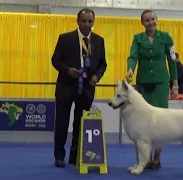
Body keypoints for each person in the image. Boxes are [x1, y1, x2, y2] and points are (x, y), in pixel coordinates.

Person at [51, 8, 107, 168]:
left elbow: (103, 64)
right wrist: (67, 70)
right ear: (77, 21)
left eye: (90, 21)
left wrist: (96, 76)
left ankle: (75, 156)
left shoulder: (99, 41)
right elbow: (55, 60)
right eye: (84, 21)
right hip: (65, 86)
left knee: (80, 123)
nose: (87, 24)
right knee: (62, 122)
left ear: (93, 22)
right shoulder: (65, 38)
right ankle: (59, 156)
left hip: (88, 88)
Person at [125, 9, 178, 170]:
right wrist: (130, 69)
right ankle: (142, 159)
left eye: (152, 19)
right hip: (143, 84)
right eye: (147, 20)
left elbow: (172, 61)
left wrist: (174, 84)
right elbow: (133, 56)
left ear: (157, 19)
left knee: (159, 122)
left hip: (161, 84)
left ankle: (156, 158)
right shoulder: (138, 38)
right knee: (142, 123)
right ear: (142, 23)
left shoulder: (166, 37)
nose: (150, 23)